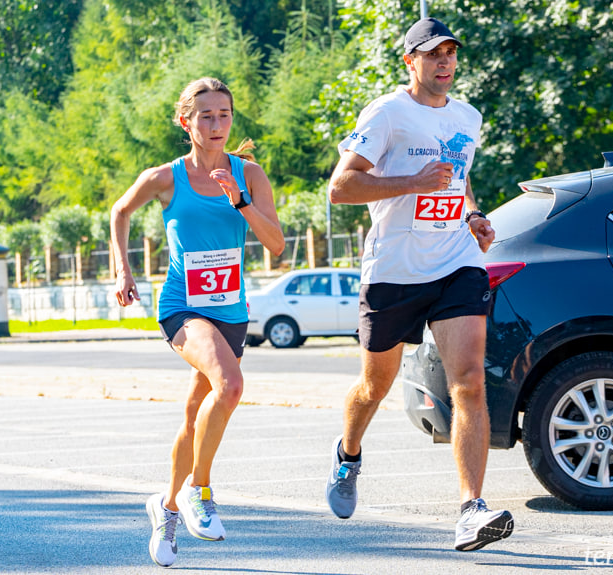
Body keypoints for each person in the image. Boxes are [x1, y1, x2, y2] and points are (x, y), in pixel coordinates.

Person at [324, 18, 513, 551]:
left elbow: (459, 176)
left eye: (450, 54)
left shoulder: (468, 117)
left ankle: (470, 509)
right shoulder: (387, 113)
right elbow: (341, 188)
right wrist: (412, 182)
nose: (444, 63)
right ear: (410, 61)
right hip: (394, 271)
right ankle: (349, 453)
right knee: (373, 387)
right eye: (432, 55)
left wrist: (473, 214)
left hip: (456, 261)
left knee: (469, 382)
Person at [110, 77, 285, 568]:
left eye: (224, 115)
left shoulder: (248, 175)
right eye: (205, 116)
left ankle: (165, 509)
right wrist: (123, 269)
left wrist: (241, 201)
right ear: (185, 121)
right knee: (229, 386)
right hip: (183, 307)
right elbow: (120, 211)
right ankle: (198, 491)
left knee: (194, 416)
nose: (216, 124)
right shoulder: (166, 177)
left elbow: (276, 245)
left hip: (231, 312)